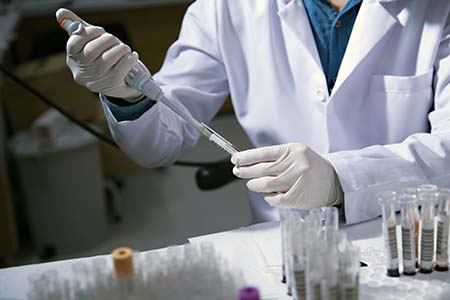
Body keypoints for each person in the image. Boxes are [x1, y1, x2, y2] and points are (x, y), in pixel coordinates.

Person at [56, 0, 450, 224]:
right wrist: (125, 92)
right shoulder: (226, 8)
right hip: (283, 240)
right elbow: (157, 144)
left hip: (409, 232)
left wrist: (340, 179)